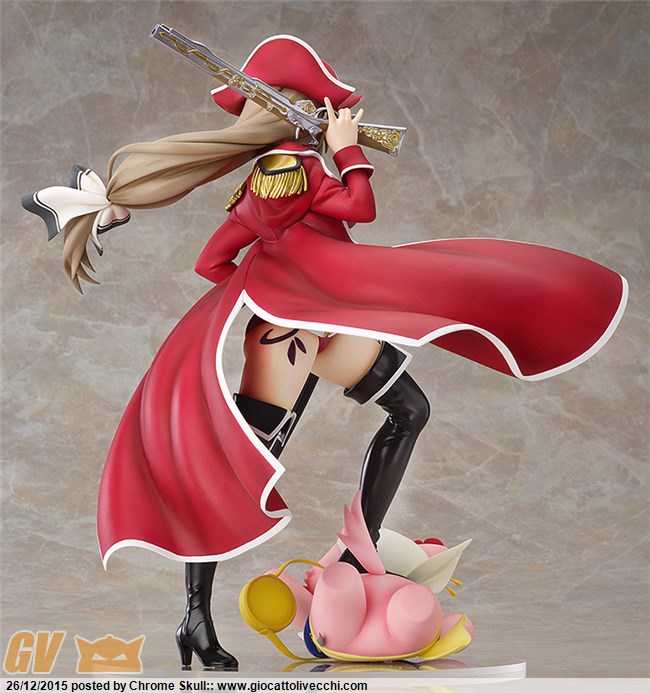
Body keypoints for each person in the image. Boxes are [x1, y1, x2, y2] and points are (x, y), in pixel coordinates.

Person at [22, 35, 628, 671]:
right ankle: (227, 605)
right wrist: (345, 152)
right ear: (294, 111)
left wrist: (280, 286)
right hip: (296, 338)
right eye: (321, 106)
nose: (331, 115)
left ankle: (337, 562)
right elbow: (360, 207)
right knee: (247, 463)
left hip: (306, 331)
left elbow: (212, 261)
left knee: (399, 414)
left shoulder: (261, 181)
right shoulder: (296, 167)